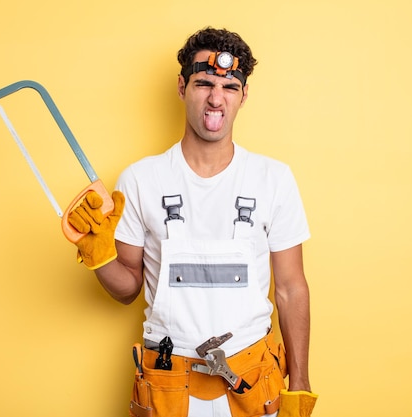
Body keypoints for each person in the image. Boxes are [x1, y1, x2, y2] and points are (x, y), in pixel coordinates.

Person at [68, 27, 318, 417]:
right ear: (183, 87)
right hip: (168, 386)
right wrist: (98, 255)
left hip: (254, 382)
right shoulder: (141, 180)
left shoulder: (273, 179)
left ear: (244, 96)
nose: (216, 98)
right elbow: (127, 288)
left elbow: (290, 288)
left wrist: (299, 383)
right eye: (204, 83)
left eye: (230, 87)